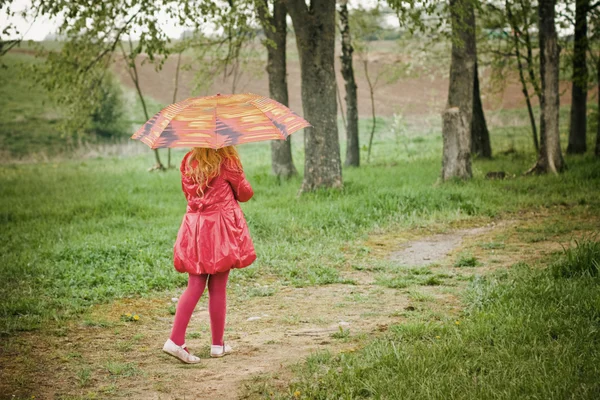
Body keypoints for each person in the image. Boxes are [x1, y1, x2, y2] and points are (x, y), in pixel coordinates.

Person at [163, 146, 256, 364]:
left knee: (195, 284)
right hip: (219, 230)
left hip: (194, 228)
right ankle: (205, 344)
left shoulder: (189, 160)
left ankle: (205, 343)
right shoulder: (226, 161)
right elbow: (245, 193)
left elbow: (189, 193)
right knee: (218, 287)